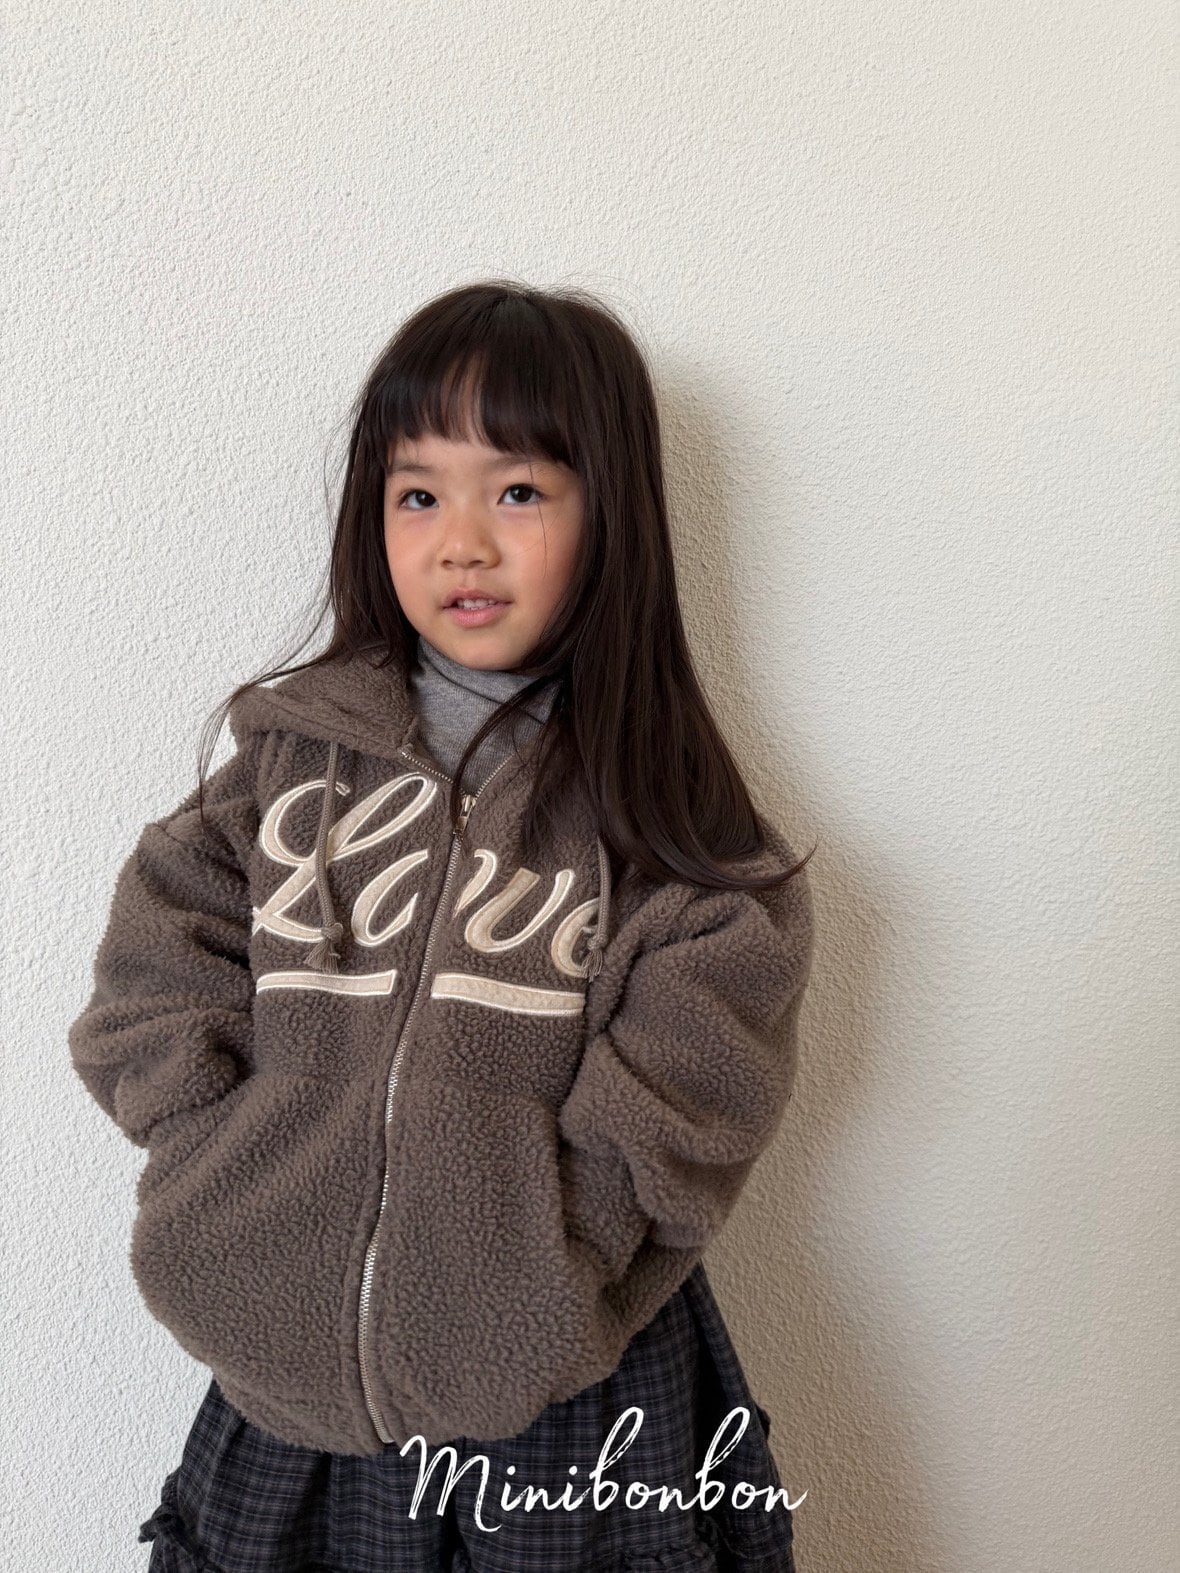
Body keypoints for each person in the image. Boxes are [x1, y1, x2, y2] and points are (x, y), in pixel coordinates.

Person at [68, 280, 817, 1572]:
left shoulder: (665, 821)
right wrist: (214, 1154)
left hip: (571, 1397)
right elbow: (155, 964)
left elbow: (696, 1072)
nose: (461, 541)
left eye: (517, 491)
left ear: (612, 515)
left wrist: (555, 1259)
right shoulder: (289, 766)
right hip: (292, 1397)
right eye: (418, 494)